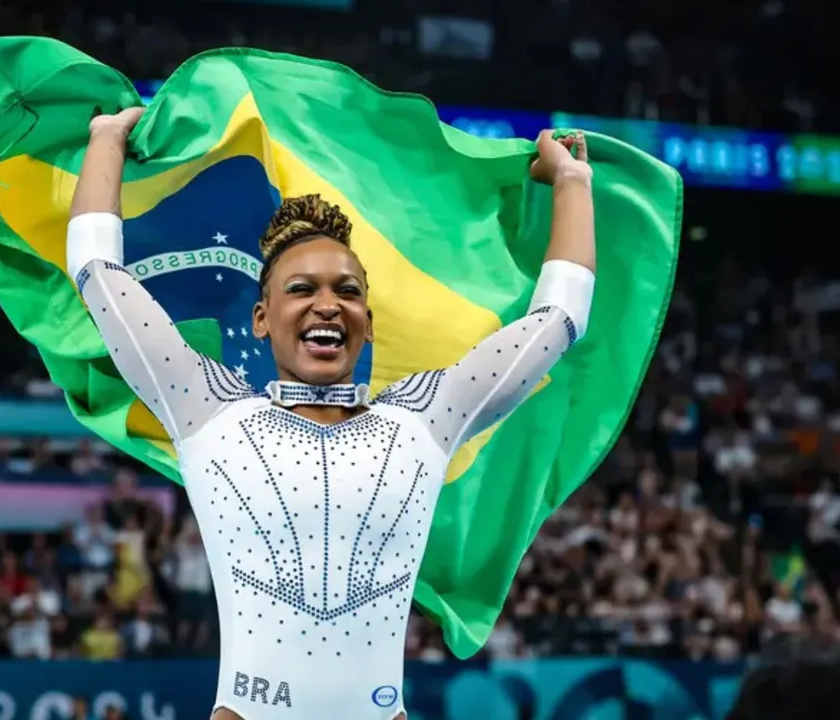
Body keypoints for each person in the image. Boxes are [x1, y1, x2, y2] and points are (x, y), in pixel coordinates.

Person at [67, 106, 596, 720]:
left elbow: (557, 321)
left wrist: (573, 184)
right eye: (301, 289)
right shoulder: (205, 407)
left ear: (368, 324)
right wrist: (106, 140)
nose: (328, 305)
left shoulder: (424, 419)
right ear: (261, 319)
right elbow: (100, 276)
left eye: (347, 292)